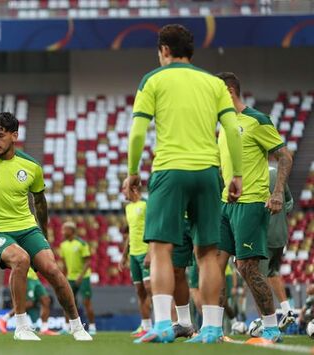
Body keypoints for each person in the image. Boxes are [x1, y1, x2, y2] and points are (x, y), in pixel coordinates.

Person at [125, 24, 243, 344]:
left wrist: (132, 171)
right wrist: (237, 175)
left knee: (161, 249)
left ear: (164, 50)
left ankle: (163, 325)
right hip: (208, 172)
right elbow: (231, 130)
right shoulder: (213, 83)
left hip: (169, 171)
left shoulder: (153, 80)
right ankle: (213, 329)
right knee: (207, 253)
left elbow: (137, 132)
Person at [0, 112, 92, 341]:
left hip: (27, 227)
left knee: (53, 271)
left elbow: (40, 202)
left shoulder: (31, 166)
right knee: (20, 259)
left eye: (0, 135)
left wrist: (45, 232)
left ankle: (77, 326)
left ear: (14, 136)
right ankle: (21, 327)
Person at [216, 72, 293, 343]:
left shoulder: (257, 120)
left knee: (248, 268)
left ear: (228, 91)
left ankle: (271, 328)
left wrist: (277, 193)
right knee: (215, 264)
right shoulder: (222, 126)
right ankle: (214, 329)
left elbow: (284, 155)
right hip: (226, 205)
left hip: (250, 203)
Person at [258, 166, 295, 331]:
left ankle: (266, 322)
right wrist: (279, 216)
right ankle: (287, 311)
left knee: (257, 277)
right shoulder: (275, 173)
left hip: (263, 235)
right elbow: (289, 201)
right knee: (272, 272)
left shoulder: (252, 174)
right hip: (281, 235)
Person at [121, 181, 151, 337]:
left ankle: (162, 323)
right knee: (140, 291)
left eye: (124, 188)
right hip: (133, 254)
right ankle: (145, 326)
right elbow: (131, 233)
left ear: (133, 188)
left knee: (151, 289)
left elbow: (153, 227)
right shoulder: (128, 207)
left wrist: (151, 251)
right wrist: (124, 256)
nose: (122, 191)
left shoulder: (147, 204)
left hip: (146, 252)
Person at [59, 222, 96, 335]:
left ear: (72, 230)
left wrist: (81, 276)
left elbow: (88, 261)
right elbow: (64, 264)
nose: (62, 232)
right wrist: (63, 277)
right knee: (68, 302)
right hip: (70, 278)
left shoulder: (82, 243)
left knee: (86, 302)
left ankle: (93, 327)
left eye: (65, 229)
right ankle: (66, 327)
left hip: (83, 277)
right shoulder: (63, 245)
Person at [0, 269, 58, 336]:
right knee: (29, 303)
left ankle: (44, 329)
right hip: (26, 277)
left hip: (35, 278)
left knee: (46, 301)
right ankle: (4, 319)